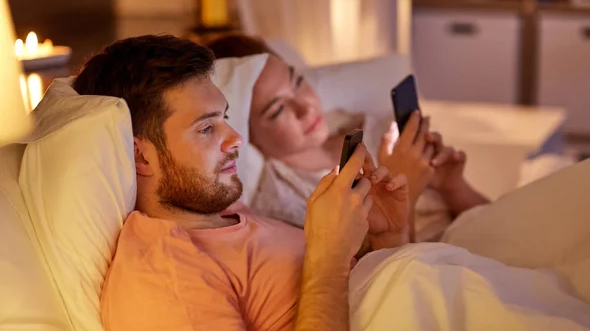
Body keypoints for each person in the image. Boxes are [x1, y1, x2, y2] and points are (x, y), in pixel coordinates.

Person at [74, 35, 412, 330]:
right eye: (206, 128)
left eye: (226, 118)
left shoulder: (229, 213)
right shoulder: (163, 274)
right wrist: (329, 256)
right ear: (140, 156)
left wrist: (387, 237)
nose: (236, 139)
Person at [205, 34, 488, 241]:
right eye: (278, 110)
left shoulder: (371, 127)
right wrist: (407, 193)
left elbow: (491, 221)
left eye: (298, 83)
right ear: (245, 130)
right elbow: (383, 279)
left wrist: (453, 186)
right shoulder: (283, 203)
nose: (306, 108)